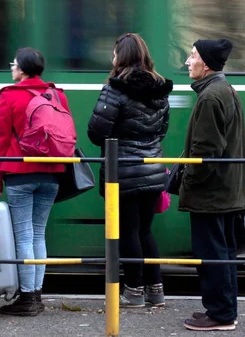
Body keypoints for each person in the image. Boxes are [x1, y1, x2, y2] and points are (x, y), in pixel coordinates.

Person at [87, 33, 173, 308]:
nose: (112, 59)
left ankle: (133, 291)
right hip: (152, 168)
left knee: (128, 232)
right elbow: (162, 130)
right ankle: (156, 290)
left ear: (121, 57)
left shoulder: (115, 88)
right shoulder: (160, 88)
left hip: (122, 171)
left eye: (114, 54)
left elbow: (96, 131)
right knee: (145, 231)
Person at [0, 47, 71, 316]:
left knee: (24, 235)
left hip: (20, 174)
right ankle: (36, 296)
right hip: (52, 174)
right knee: (38, 233)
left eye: (14, 64)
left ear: (22, 70)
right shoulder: (56, 94)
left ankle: (27, 299)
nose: (11, 68)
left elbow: (0, 142)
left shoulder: (9, 97)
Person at [180, 39, 245, 332]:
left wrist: (188, 182)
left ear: (205, 63)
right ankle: (223, 310)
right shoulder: (225, 90)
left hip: (211, 193)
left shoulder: (210, 97)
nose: (187, 61)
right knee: (223, 253)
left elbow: (205, 153)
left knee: (213, 254)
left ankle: (220, 314)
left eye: (191, 56)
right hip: (226, 191)